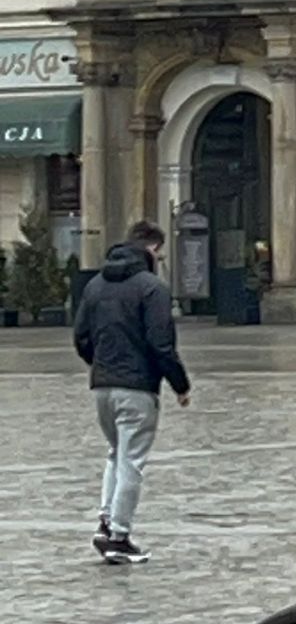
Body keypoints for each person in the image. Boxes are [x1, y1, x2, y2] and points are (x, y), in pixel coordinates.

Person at [73, 219, 191, 564]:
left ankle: (105, 520)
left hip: (102, 385)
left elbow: (81, 336)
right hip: (137, 387)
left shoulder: (95, 285)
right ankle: (119, 536)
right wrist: (180, 385)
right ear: (152, 249)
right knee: (132, 461)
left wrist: (100, 364)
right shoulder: (151, 287)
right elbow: (161, 344)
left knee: (115, 453)